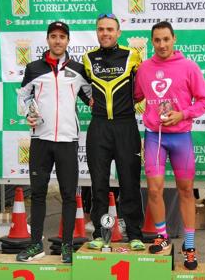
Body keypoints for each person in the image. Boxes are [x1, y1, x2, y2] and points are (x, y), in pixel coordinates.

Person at [134, 21, 205, 270]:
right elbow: (135, 96)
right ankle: (162, 237)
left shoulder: (188, 66)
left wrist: (182, 114)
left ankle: (189, 245)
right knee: (154, 190)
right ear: (152, 41)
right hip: (155, 137)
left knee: (186, 190)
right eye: (157, 40)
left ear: (174, 39)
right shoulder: (144, 68)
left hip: (180, 137)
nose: (162, 44)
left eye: (166, 39)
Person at [16, 21, 91, 263]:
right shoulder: (34, 68)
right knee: (38, 193)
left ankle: (67, 246)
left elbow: (92, 97)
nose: (58, 41)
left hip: (68, 140)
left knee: (69, 195)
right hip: (40, 140)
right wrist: (28, 113)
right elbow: (22, 97)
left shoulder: (78, 70)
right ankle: (35, 244)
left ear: (68, 41)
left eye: (62, 37)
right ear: (48, 39)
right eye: (53, 36)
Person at [82, 13, 145, 251]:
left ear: (118, 33)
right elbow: (81, 85)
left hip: (125, 125)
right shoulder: (88, 58)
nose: (105, 33)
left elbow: (142, 85)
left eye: (110, 29)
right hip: (99, 127)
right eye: (101, 29)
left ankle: (135, 234)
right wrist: (87, 99)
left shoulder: (132, 55)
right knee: (98, 183)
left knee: (130, 181)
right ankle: (99, 233)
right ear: (97, 32)